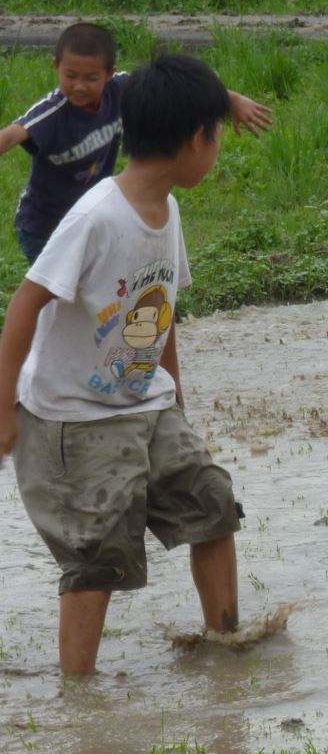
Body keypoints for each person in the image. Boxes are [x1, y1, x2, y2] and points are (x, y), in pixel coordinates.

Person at [0, 54, 246, 676]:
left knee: (211, 503)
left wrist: (174, 392)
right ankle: (78, 696)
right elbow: (24, 306)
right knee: (97, 552)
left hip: (145, 401)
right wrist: (4, 411)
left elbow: (160, 308)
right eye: (217, 136)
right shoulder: (97, 216)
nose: (217, 149)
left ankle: (228, 646)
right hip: (74, 417)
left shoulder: (167, 209)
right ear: (197, 139)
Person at [0, 22, 272, 263]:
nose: (79, 86)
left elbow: (177, 90)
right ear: (56, 66)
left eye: (91, 78)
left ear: (110, 73)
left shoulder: (119, 88)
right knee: (59, 295)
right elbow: (10, 136)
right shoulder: (50, 114)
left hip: (91, 216)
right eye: (70, 76)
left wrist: (231, 100)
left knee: (96, 286)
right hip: (45, 226)